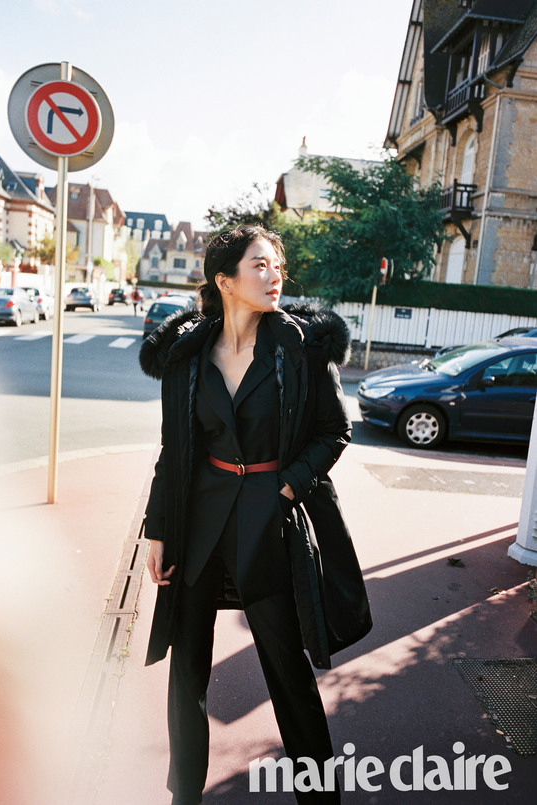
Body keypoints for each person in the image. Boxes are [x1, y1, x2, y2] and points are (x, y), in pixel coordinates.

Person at [139, 224, 372, 804]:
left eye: (276, 266)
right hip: (198, 523)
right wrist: (158, 530)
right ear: (225, 280)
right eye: (259, 266)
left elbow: (333, 432)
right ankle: (184, 792)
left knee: (286, 671)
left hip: (270, 521)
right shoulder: (188, 355)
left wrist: (287, 489)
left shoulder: (302, 348)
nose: (274, 277)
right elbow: (175, 449)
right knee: (186, 672)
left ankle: (320, 795)